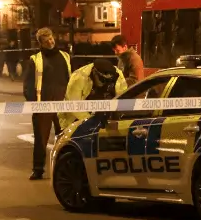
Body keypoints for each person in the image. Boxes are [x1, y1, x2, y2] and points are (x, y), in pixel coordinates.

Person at [22, 28, 71, 180]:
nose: (50, 42)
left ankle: (66, 168)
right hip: (42, 104)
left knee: (65, 138)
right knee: (40, 139)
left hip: (62, 104)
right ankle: (38, 169)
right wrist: (33, 103)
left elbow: (71, 79)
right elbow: (28, 84)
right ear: (41, 43)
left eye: (51, 38)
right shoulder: (35, 59)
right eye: (46, 40)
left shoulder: (65, 56)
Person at [60, 58, 128, 129]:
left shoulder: (118, 75)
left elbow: (122, 98)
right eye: (102, 80)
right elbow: (74, 105)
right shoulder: (78, 78)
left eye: (109, 80)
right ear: (95, 73)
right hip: (76, 119)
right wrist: (92, 122)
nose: (105, 83)